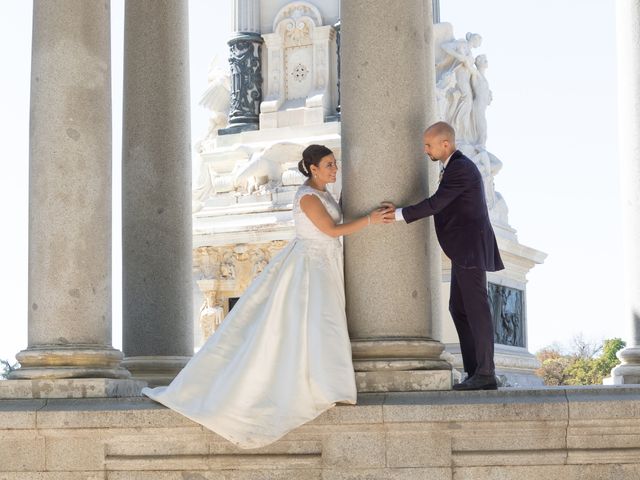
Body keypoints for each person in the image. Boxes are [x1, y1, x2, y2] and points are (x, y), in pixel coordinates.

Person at [143, 144, 392, 448]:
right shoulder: (308, 196)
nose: (335, 169)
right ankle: (316, 387)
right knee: (315, 323)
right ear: (312, 168)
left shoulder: (325, 192)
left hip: (325, 265)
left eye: (334, 163)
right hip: (310, 266)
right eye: (329, 165)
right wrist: (371, 220)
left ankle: (326, 384)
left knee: (322, 325)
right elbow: (329, 230)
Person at [382, 122, 504, 391]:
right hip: (464, 249)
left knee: (476, 310)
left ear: (445, 144)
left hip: (469, 248)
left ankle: (485, 372)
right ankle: (476, 371)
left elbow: (437, 203)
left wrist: (400, 214)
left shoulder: (459, 168)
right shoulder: (455, 166)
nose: (425, 149)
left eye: (428, 145)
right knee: (459, 309)